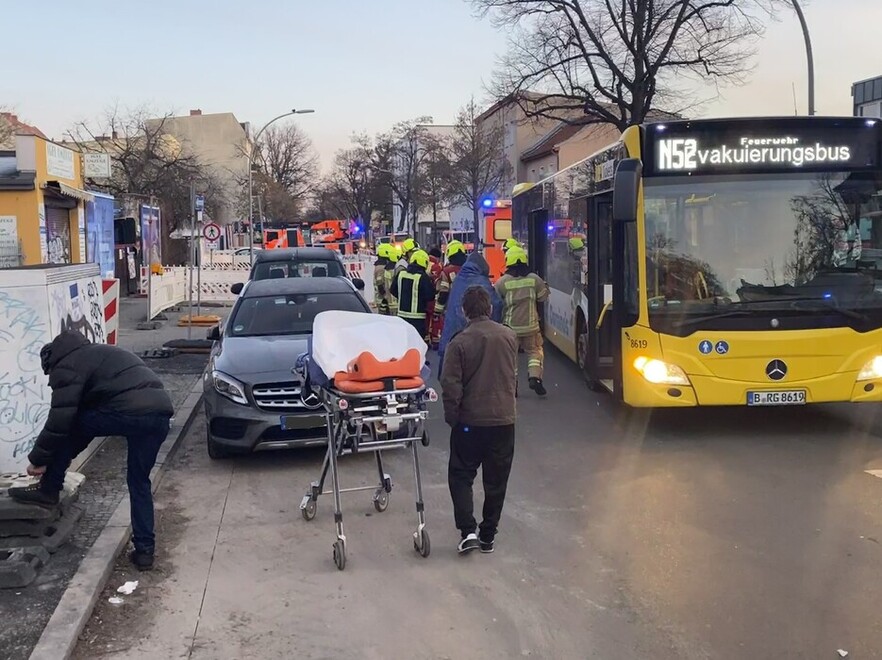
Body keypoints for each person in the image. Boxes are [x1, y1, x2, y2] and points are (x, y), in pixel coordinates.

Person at [8, 331, 174, 570]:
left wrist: (39, 459)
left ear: (51, 361)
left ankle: (48, 489)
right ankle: (145, 552)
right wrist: (63, 455)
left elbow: (59, 420)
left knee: (71, 423)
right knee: (139, 482)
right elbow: (86, 429)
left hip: (128, 411)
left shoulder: (67, 364)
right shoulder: (97, 354)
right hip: (158, 415)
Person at [440, 286, 517, 554]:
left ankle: (468, 531)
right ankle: (488, 536)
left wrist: (453, 418)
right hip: (504, 421)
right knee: (497, 480)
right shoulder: (509, 336)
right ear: (490, 308)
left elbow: (450, 384)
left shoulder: (459, 342)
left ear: (464, 312)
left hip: (470, 422)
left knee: (461, 475)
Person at [495, 247, 550, 397]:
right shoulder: (534, 279)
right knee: (535, 352)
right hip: (531, 326)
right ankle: (535, 378)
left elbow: (496, 303)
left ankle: (513, 388)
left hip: (510, 328)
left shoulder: (502, 282)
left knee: (510, 357)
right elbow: (543, 297)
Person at [438, 251, 503, 376]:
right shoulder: (482, 282)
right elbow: (497, 304)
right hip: (474, 333)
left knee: (454, 371)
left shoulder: (458, 280)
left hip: (452, 334)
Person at [391, 248, 436, 341]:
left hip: (401, 316)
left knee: (404, 343)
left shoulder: (401, 274)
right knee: (416, 344)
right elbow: (430, 295)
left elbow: (393, 290)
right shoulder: (423, 277)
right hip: (418, 319)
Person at [432, 241, 468, 348]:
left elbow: (443, 293)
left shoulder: (447, 272)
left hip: (452, 311)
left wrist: (437, 311)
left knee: (452, 342)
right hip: (470, 310)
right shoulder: (470, 269)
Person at [425, 247, 444, 346]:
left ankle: (426, 339)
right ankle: (435, 339)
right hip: (434, 297)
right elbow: (438, 282)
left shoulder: (424, 262)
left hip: (424, 296)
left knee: (426, 319)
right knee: (435, 318)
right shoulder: (437, 266)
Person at [373, 244, 392, 315]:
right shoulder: (381, 267)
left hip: (382, 299)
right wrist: (385, 296)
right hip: (382, 301)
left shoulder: (380, 265)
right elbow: (380, 283)